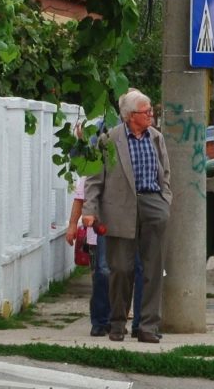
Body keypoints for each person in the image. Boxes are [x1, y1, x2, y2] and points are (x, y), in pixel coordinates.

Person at [82, 89, 172, 344]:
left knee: (153, 269)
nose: (151, 115)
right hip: (119, 209)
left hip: (153, 204)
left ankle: (147, 326)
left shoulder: (156, 137)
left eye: (151, 111)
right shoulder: (109, 139)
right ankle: (117, 322)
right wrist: (90, 210)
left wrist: (165, 200)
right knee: (121, 269)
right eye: (146, 111)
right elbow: (94, 180)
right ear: (131, 116)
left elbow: (165, 172)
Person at [65, 177, 110, 337]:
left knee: (120, 276)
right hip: (97, 234)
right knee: (101, 275)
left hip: (120, 232)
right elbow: (79, 198)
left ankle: (115, 319)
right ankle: (99, 321)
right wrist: (72, 225)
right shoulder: (94, 169)